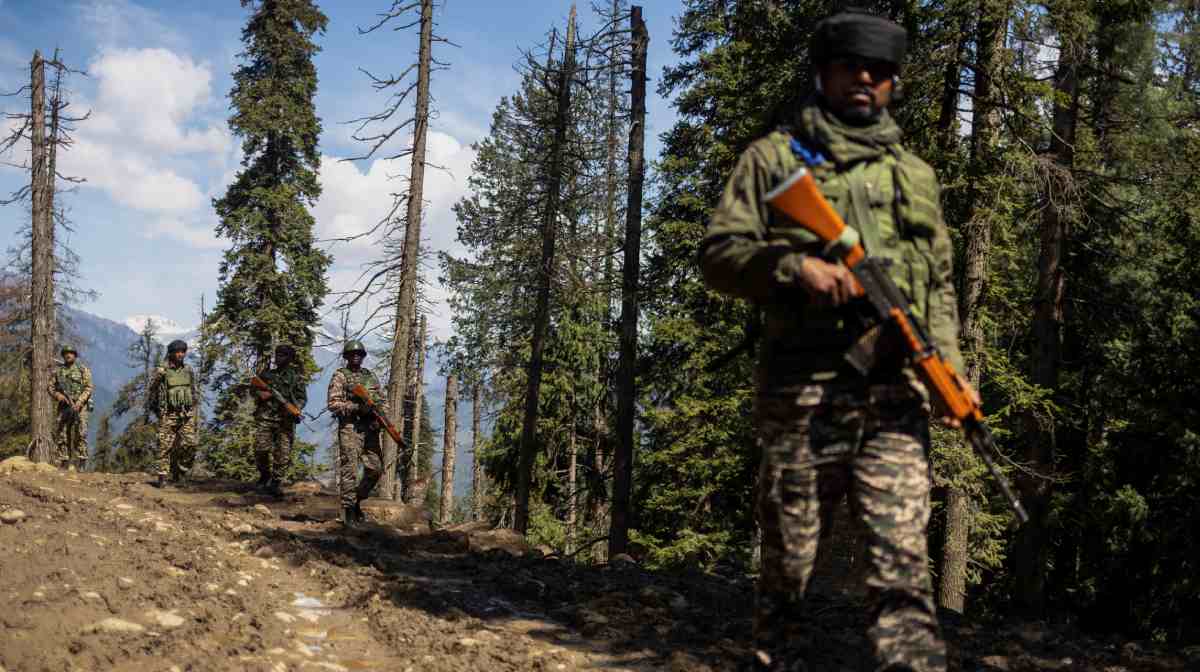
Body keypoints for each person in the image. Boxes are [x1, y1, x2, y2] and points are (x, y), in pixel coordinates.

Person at [700, 10, 975, 672]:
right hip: (804, 395)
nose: (864, 79)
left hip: (895, 398)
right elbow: (718, 254)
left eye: (879, 71)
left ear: (895, 83)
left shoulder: (916, 175)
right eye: (850, 66)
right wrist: (795, 269)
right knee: (787, 567)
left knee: (904, 568)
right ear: (823, 73)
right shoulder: (773, 159)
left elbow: (937, 284)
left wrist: (951, 372)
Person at [326, 340, 387, 527]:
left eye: (359, 354)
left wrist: (380, 418)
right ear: (346, 357)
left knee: (375, 469)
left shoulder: (370, 377)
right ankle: (348, 511)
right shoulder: (340, 377)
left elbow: (382, 401)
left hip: (370, 428)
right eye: (352, 354)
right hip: (350, 428)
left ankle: (357, 500)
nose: (356, 357)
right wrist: (357, 408)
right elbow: (333, 404)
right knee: (349, 470)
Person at [252, 343, 308, 497]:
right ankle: (264, 476)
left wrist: (293, 407)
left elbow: (302, 398)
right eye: (277, 354)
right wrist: (261, 395)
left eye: (283, 355)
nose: (278, 358)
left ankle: (276, 483)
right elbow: (254, 389)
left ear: (290, 359)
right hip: (266, 417)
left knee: (283, 454)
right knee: (260, 449)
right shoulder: (267, 375)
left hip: (286, 420)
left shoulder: (296, 377)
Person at [147, 339, 199, 488]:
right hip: (168, 414)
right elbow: (152, 390)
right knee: (164, 447)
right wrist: (158, 411)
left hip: (186, 415)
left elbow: (192, 390)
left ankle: (180, 472)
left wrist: (193, 410)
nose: (180, 354)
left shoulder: (188, 370)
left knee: (190, 444)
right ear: (171, 353)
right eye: (178, 352)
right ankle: (162, 477)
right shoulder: (162, 371)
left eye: (183, 351)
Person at [49, 344, 94, 471]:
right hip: (64, 406)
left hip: (80, 406)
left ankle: (81, 461)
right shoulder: (58, 371)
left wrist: (80, 402)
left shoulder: (82, 369)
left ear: (75, 355)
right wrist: (57, 395)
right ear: (63, 356)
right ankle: (64, 460)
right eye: (66, 353)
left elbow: (89, 387)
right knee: (62, 433)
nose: (68, 355)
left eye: (71, 353)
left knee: (81, 432)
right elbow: (50, 387)